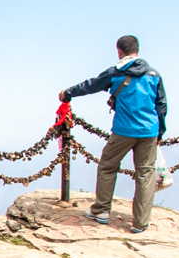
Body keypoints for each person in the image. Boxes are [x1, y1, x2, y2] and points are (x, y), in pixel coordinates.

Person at [60, 36, 169, 234]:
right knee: (145, 173)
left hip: (124, 130)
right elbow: (161, 106)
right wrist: (159, 132)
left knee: (108, 166)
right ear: (137, 50)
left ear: (119, 50)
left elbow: (90, 85)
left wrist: (68, 93)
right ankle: (141, 223)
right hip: (149, 131)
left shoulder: (115, 72)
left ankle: (101, 210)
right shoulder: (154, 75)